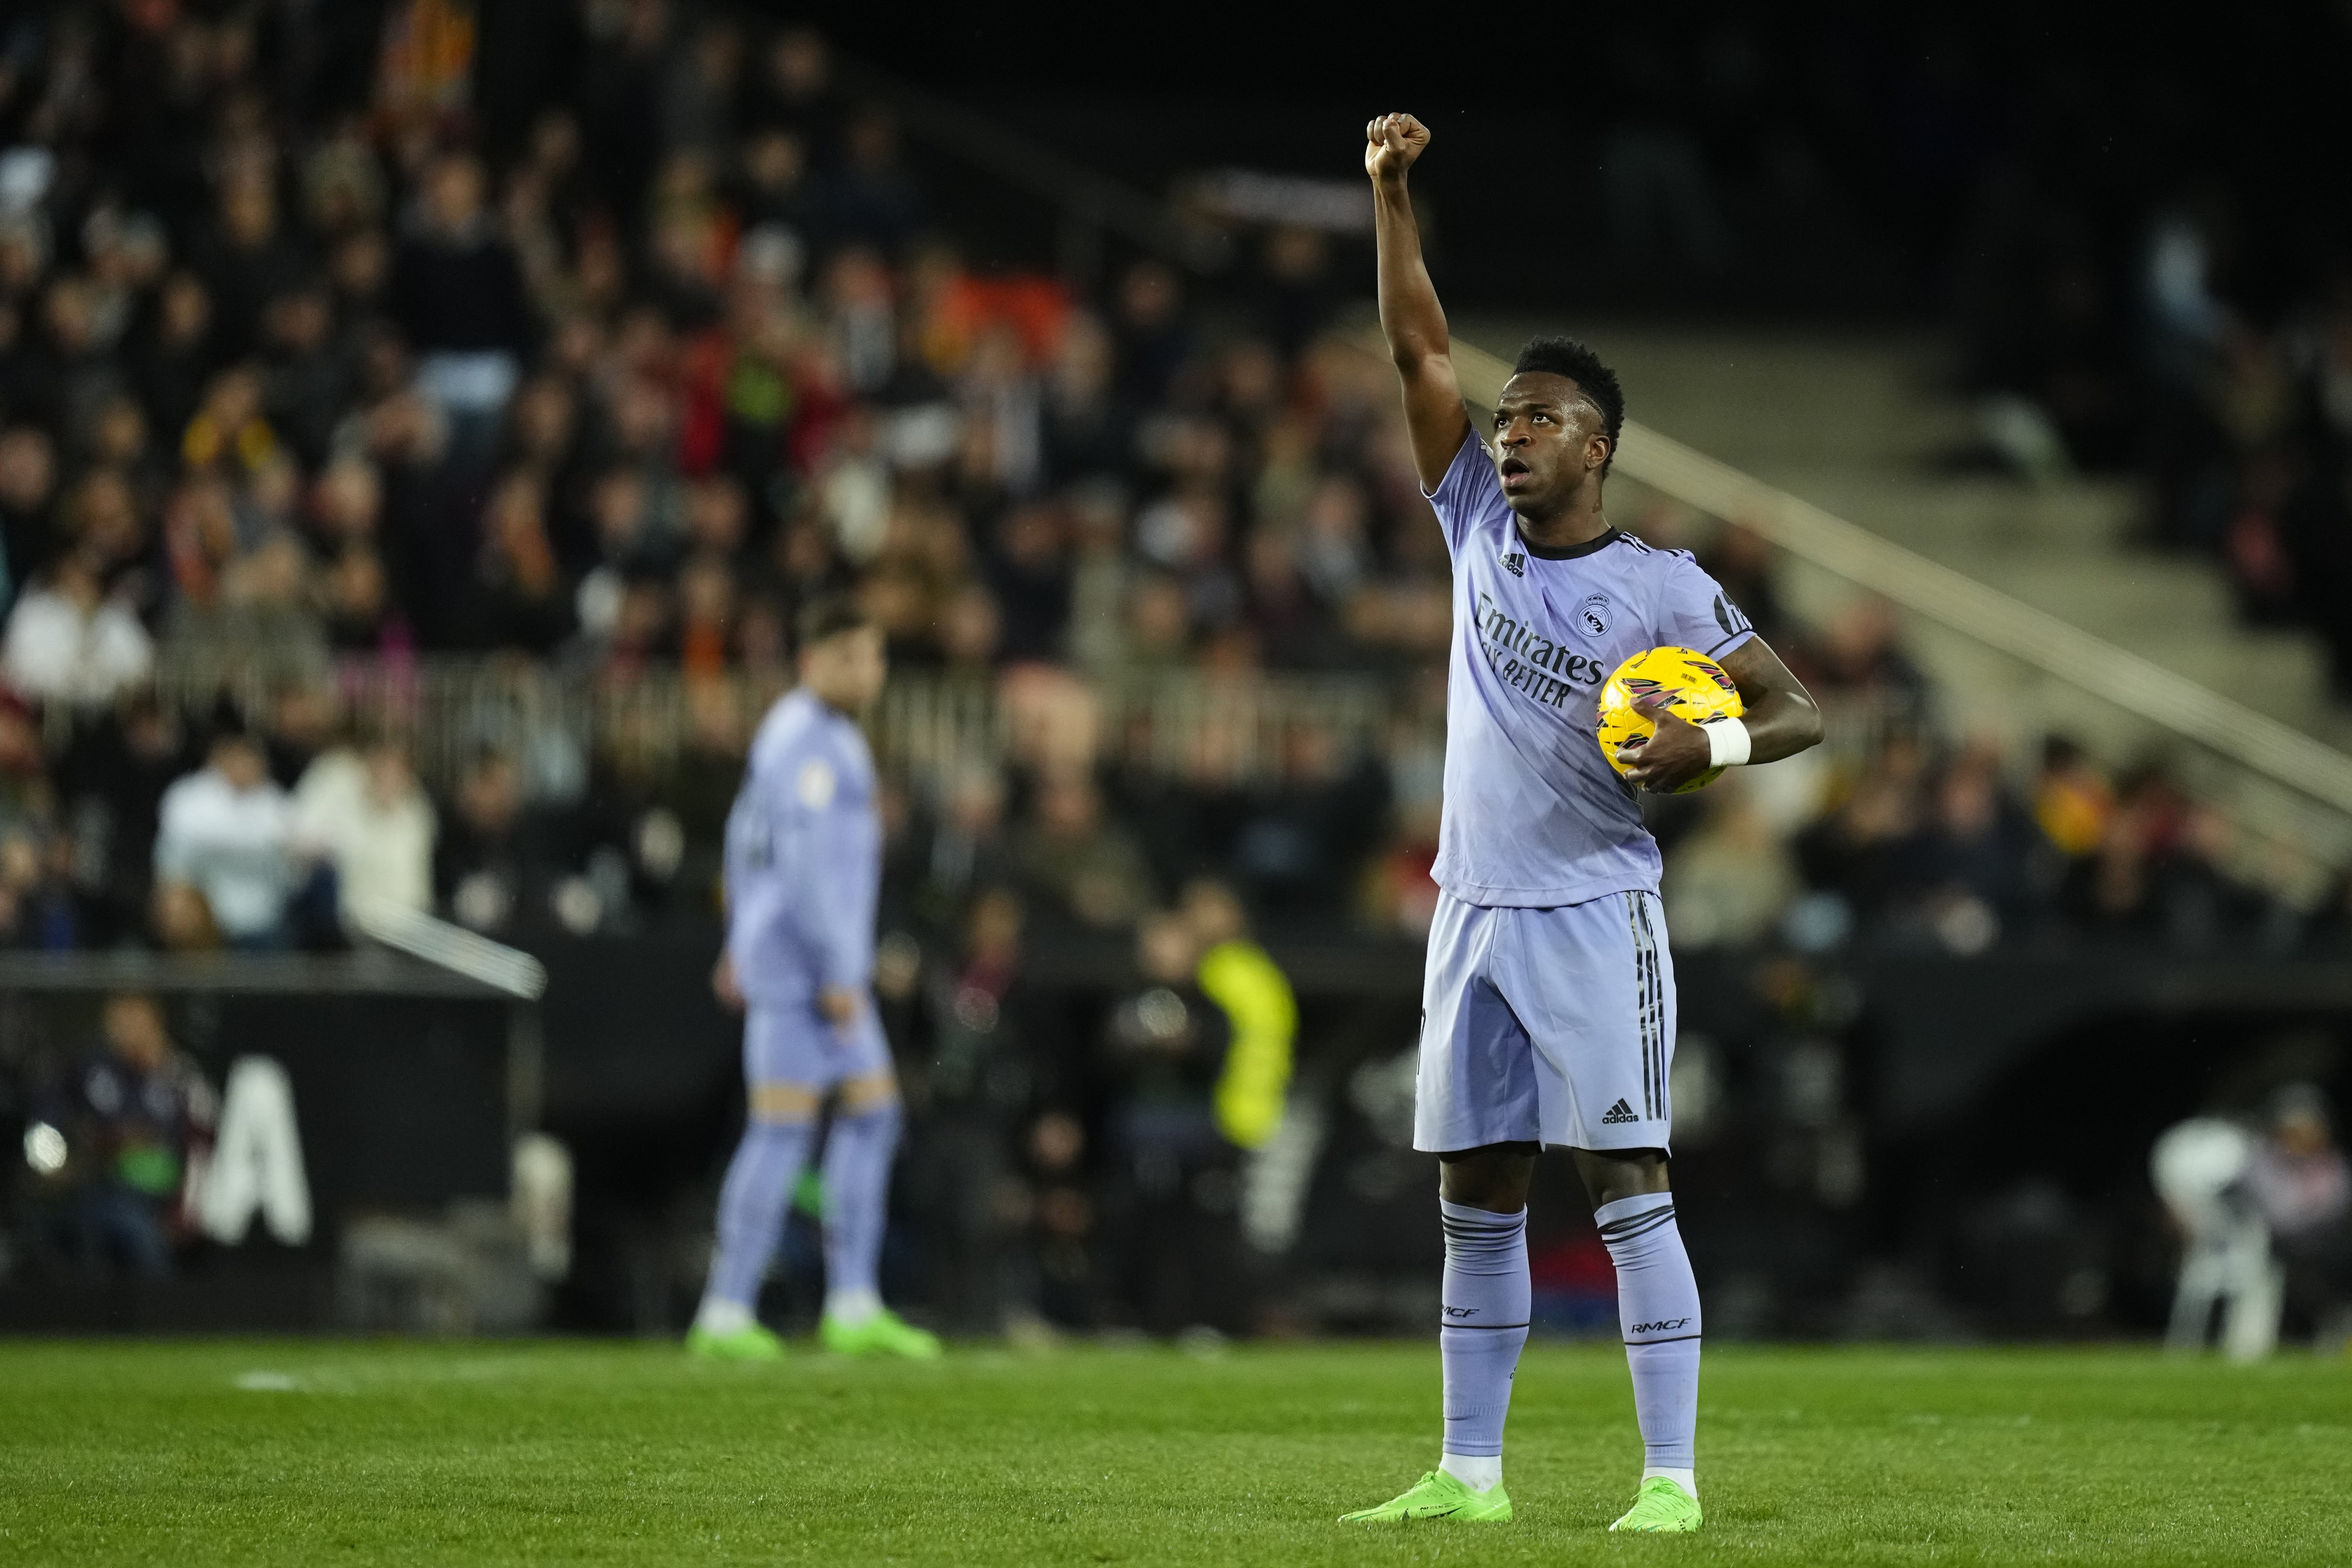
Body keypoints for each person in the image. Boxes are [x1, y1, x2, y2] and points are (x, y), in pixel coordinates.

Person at [1340, 115, 1823, 1535]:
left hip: (1595, 906)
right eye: (1507, 418)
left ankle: (1668, 1480)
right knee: (1476, 1195)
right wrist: (1392, 194)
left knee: (1628, 1181)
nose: (1511, 431)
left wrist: (1709, 738)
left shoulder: (1669, 589)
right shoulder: (1473, 521)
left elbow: (1797, 710)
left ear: (1598, 445)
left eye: (1539, 417)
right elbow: (1419, 347)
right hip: (1473, 903)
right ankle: (1469, 1474)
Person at [688, 596, 940, 1361]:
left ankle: (854, 1301)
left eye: (874, 657)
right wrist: (836, 966)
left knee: (873, 1115)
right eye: (851, 658)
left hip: (815, 964)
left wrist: (739, 936)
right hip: (806, 973)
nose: (868, 672)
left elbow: (743, 835)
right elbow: (796, 862)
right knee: (784, 1129)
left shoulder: (822, 737)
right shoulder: (806, 739)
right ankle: (725, 1311)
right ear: (812, 661)